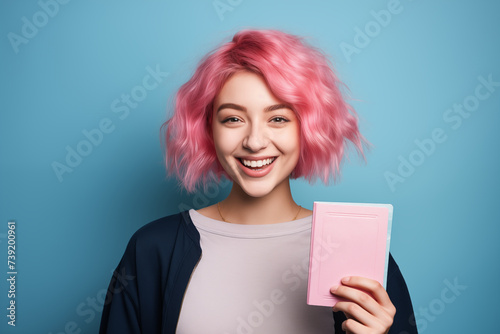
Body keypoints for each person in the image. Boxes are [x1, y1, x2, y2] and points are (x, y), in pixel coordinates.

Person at [99, 29, 417, 334]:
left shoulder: (360, 253)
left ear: (306, 127)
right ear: (208, 128)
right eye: (233, 118)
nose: (254, 141)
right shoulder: (153, 248)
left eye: (278, 118)